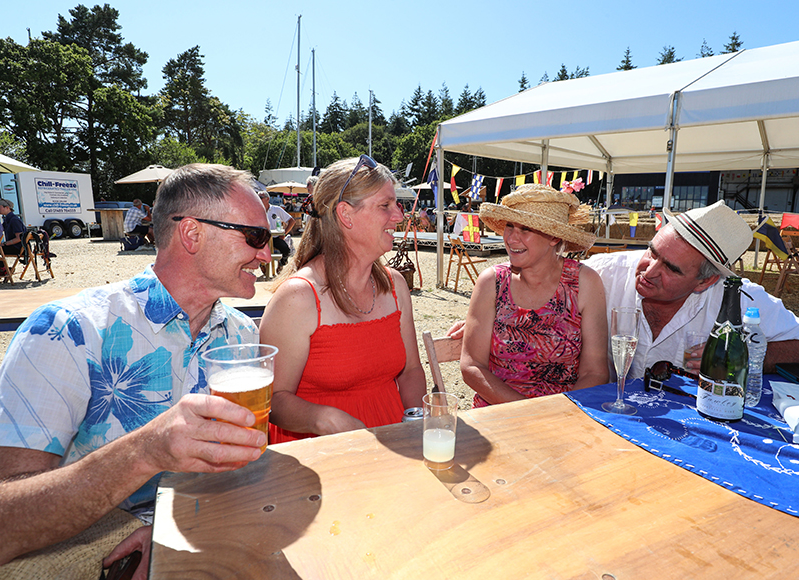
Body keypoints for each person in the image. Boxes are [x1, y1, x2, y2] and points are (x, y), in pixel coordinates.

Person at [0, 164, 273, 576]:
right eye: (256, 237)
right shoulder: (68, 330)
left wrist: (169, 529)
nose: (268, 254)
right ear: (192, 233)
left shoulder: (241, 335)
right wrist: (146, 450)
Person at [260, 156, 426, 443]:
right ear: (345, 214)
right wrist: (325, 419)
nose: (399, 216)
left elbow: (411, 370)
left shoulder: (395, 285)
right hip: (319, 457)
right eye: (385, 206)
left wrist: (417, 420)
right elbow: (273, 400)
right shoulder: (299, 297)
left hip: (392, 443)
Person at [583, 200, 799, 377]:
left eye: (671, 269)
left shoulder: (737, 299)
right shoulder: (602, 273)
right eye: (652, 252)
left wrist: (740, 357)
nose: (649, 270)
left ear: (705, 281)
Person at [459, 184, 610, 408]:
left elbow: (595, 372)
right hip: (497, 414)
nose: (511, 238)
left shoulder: (585, 283)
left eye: (525, 229)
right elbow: (472, 366)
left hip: (563, 415)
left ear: (553, 238)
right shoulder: (491, 282)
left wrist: (555, 415)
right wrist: (528, 412)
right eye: (509, 226)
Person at [258, 191, 295, 274]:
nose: (258, 200)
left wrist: (284, 233)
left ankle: (281, 263)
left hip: (275, 237)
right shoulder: (256, 211)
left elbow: (291, 221)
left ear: (267, 199)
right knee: (253, 249)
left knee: (286, 250)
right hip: (263, 237)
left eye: (260, 198)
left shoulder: (276, 209)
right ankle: (262, 265)